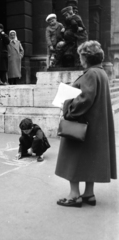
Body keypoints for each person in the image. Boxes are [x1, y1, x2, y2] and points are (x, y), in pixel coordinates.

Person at [55, 40, 117, 208]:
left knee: (73, 157)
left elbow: (84, 100)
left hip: (82, 123)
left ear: (86, 57)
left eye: (81, 55)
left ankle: (74, 196)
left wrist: (68, 109)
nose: (79, 58)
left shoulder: (90, 73)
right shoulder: (101, 72)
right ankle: (89, 194)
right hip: (95, 124)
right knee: (90, 158)